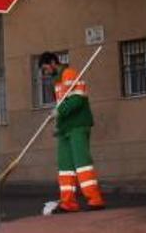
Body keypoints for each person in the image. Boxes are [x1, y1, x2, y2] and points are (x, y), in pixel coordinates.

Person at [38, 52, 106, 213]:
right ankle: (68, 202)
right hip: (65, 128)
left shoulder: (70, 74)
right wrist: (58, 125)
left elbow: (77, 100)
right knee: (65, 167)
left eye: (45, 68)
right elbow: (62, 104)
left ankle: (95, 199)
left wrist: (59, 112)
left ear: (53, 62)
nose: (45, 72)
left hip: (78, 125)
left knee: (82, 164)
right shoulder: (57, 82)